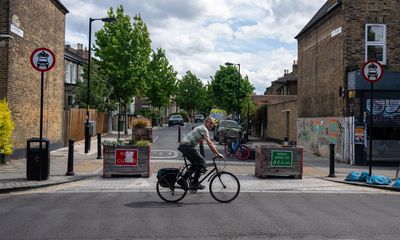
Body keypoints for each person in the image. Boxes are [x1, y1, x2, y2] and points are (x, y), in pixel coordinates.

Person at [178, 117, 224, 189]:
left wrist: (213, 151)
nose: (212, 125)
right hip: (187, 146)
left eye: (213, 124)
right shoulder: (204, 129)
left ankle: (182, 180)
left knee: (195, 164)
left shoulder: (202, 128)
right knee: (201, 162)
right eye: (210, 123)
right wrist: (217, 154)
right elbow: (209, 143)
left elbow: (204, 143)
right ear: (206, 123)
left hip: (184, 146)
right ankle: (195, 183)